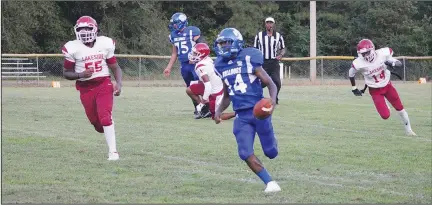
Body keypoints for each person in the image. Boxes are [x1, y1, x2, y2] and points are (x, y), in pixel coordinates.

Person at [213, 28, 281, 193]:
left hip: (259, 112)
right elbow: (228, 94)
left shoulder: (249, 58)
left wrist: (271, 101)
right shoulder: (220, 65)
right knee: (244, 152)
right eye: (221, 43)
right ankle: (270, 183)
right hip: (241, 116)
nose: (223, 47)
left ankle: (271, 149)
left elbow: (271, 83)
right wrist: (218, 110)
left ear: (236, 42)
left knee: (271, 152)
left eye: (226, 43)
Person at [62, 16, 123, 160]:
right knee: (97, 125)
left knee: (105, 117)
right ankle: (107, 123)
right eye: (81, 29)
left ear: (95, 29)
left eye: (88, 28)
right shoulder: (73, 47)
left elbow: (115, 66)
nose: (84, 32)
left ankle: (113, 152)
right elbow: (66, 73)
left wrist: (119, 83)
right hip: (85, 88)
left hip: (103, 83)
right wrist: (80, 74)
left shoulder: (105, 43)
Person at [349, 39, 416, 136]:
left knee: (400, 108)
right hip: (375, 90)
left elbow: (399, 63)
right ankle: (385, 104)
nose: (366, 56)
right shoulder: (359, 63)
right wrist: (354, 88)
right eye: (363, 54)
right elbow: (351, 74)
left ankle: (409, 130)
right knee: (385, 116)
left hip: (387, 86)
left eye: (367, 52)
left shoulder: (383, 54)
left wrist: (392, 63)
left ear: (372, 49)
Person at [164, 12, 206, 119]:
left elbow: (202, 46)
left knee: (202, 86)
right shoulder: (173, 35)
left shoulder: (192, 31)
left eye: (176, 23)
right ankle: (198, 108)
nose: (174, 26)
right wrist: (169, 67)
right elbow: (174, 53)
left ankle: (207, 107)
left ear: (182, 22)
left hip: (196, 64)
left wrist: (198, 58)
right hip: (184, 66)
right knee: (190, 88)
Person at [186, 43, 236, 120]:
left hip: (216, 92)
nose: (193, 55)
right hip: (214, 85)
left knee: (217, 116)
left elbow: (208, 86)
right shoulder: (207, 59)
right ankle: (206, 109)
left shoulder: (201, 66)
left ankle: (238, 112)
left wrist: (202, 103)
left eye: (195, 53)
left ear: (202, 55)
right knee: (190, 89)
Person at [253, 17, 286, 104]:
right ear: (265, 24)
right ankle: (257, 99)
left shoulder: (278, 36)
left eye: (271, 23)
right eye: (267, 22)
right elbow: (255, 49)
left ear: (274, 24)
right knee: (261, 83)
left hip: (274, 62)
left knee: (277, 83)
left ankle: (274, 99)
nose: (269, 24)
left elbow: (283, 48)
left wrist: (281, 55)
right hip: (263, 62)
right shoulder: (259, 35)